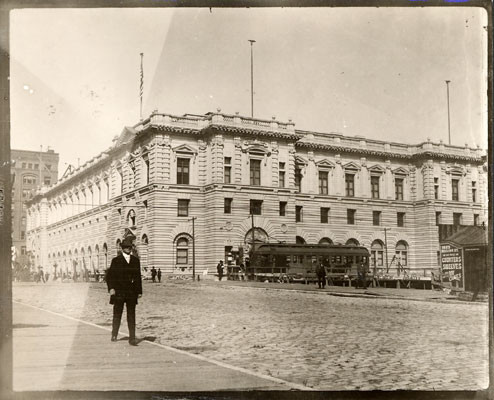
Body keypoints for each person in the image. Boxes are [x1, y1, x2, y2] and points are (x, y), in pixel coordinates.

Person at [106, 237, 142, 346]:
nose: (128, 249)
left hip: (131, 292)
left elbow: (137, 277)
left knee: (131, 315)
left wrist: (139, 291)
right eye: (126, 247)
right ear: (122, 248)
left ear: (131, 248)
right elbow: (110, 276)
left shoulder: (135, 261)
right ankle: (114, 334)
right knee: (117, 314)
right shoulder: (116, 260)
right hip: (119, 291)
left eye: (129, 247)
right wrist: (111, 288)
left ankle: (132, 337)